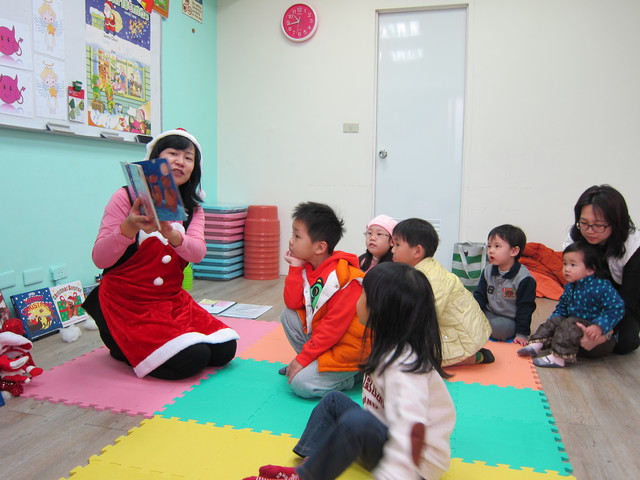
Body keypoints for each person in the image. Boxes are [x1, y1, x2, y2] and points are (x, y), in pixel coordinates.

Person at [243, 262, 455, 480]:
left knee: (357, 421)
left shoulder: (403, 364)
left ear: (378, 309)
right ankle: (311, 465)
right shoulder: (385, 344)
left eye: (362, 294)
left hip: (415, 465)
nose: (357, 299)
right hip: (386, 438)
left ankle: (307, 477)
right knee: (333, 401)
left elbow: (413, 429)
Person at [82, 129, 239, 379]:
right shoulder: (125, 197)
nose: (180, 161)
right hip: (126, 303)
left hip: (170, 301)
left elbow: (197, 254)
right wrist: (129, 227)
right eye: (173, 153)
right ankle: (120, 344)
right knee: (193, 359)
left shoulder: (193, 209)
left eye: (188, 158)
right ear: (154, 158)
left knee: (224, 350)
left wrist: (173, 234)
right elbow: (100, 259)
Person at [280, 202, 370, 398]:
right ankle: (313, 367)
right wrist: (295, 267)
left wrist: (302, 359)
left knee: (301, 385)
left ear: (320, 247)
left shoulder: (344, 279)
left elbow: (332, 328)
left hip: (351, 350)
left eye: (297, 236)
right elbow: (293, 304)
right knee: (288, 315)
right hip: (330, 341)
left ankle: (353, 376)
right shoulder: (309, 266)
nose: (290, 241)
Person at [392, 218, 493, 366]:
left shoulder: (431, 278)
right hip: (449, 328)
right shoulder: (418, 270)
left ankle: (476, 357)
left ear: (417, 251)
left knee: (412, 359)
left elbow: (426, 314)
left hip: (464, 337)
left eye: (397, 245)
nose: (392, 250)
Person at [518, 242, 624, 368]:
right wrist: (552, 325)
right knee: (557, 319)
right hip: (575, 334)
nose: (567, 269)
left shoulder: (602, 286)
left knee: (571, 322)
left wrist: (599, 326)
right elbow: (561, 308)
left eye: (573, 265)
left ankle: (558, 357)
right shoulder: (570, 286)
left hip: (598, 341)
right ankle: (537, 344)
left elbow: (616, 308)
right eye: (565, 264)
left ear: (590, 269)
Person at [568, 184, 640, 355]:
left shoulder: (633, 246)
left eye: (598, 225)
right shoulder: (576, 237)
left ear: (616, 223)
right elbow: (573, 285)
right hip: (591, 298)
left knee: (625, 343)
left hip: (623, 301)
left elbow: (627, 301)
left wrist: (605, 332)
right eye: (584, 223)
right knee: (571, 335)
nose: (589, 231)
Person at [473, 224, 537, 344]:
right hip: (488, 312)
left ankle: (480, 328)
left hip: (508, 320)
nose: (491, 250)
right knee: (466, 316)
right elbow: (479, 295)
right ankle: (479, 326)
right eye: (489, 246)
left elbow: (526, 308)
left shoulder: (524, 279)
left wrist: (522, 334)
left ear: (514, 251)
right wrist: (472, 314)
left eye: (497, 246)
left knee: (499, 329)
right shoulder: (488, 270)